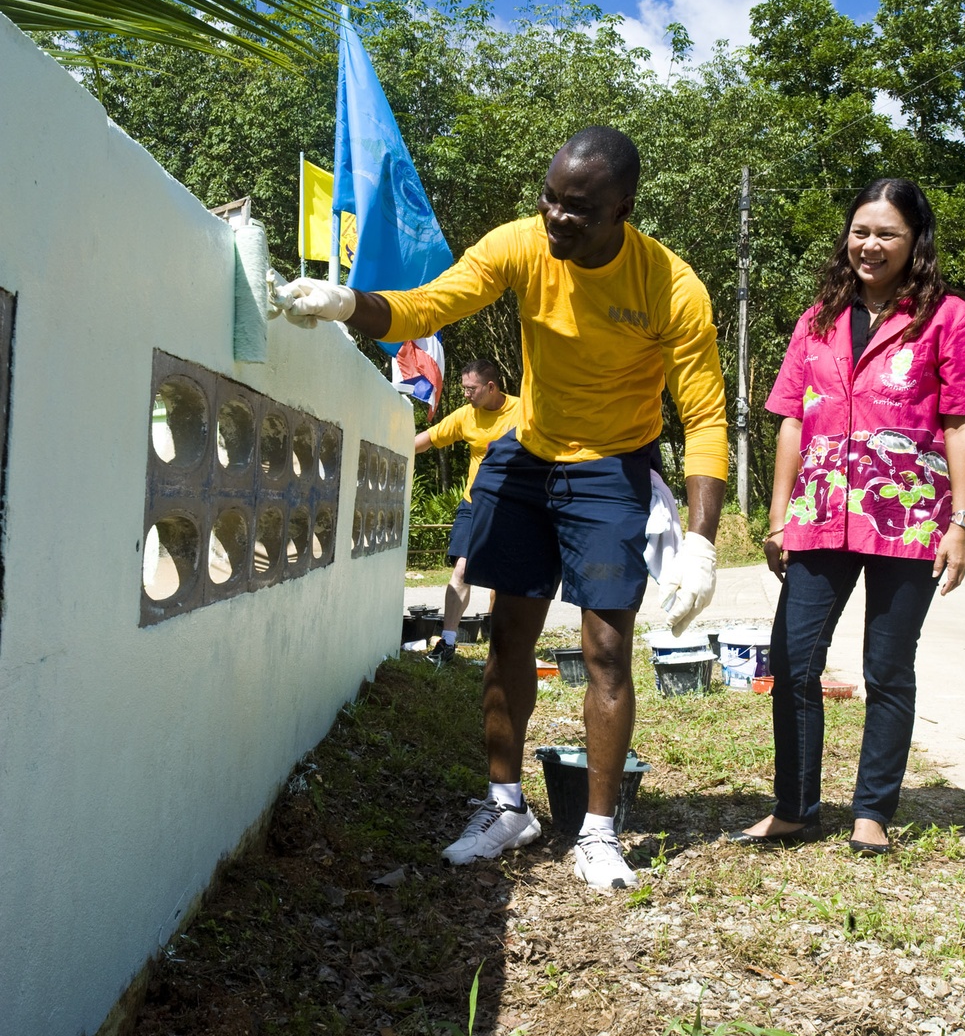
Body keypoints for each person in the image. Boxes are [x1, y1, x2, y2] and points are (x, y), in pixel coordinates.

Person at [279, 126, 728, 889]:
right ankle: (504, 804)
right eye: (549, 198)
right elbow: (433, 304)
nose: (556, 218)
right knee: (509, 635)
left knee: (605, 653)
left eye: (577, 209)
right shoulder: (522, 244)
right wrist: (348, 303)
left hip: (613, 467)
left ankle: (597, 830)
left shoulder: (670, 286)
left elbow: (707, 415)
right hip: (529, 453)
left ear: (624, 207)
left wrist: (702, 541)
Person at [733, 178, 965, 855]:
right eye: (861, 231)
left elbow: (964, 422)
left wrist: (960, 524)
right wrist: (776, 516)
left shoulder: (949, 318)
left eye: (887, 234)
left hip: (907, 518)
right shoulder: (817, 318)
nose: (870, 245)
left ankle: (871, 812)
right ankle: (794, 808)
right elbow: (792, 421)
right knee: (793, 661)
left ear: (915, 244)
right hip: (820, 513)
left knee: (887, 667)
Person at [414, 358, 519, 665]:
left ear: (491, 387)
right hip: (474, 503)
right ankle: (447, 644)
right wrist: (393, 449)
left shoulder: (523, 411)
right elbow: (429, 438)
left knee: (504, 578)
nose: (465, 394)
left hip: (512, 506)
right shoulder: (466, 416)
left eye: (470, 389)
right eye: (463, 388)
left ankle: (500, 645)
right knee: (462, 570)